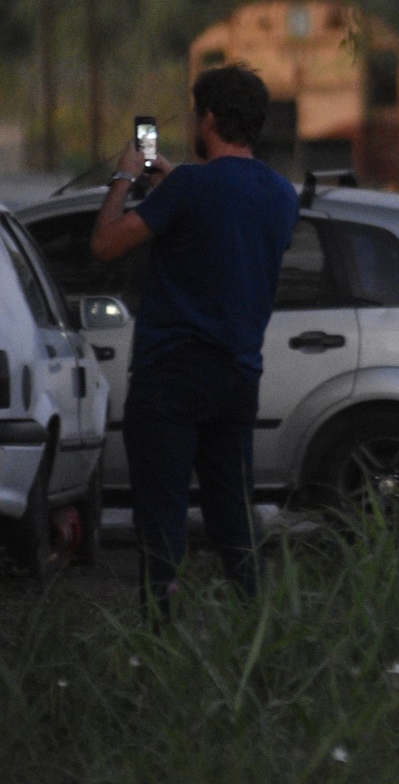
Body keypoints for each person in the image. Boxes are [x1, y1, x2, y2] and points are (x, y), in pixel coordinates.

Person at [91, 64, 299, 616]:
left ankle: (161, 634)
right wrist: (173, 188)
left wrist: (124, 177)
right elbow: (224, 234)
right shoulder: (282, 194)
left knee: (161, 518)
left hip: (171, 376)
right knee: (233, 513)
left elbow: (107, 243)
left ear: (208, 117)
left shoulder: (188, 186)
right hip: (237, 376)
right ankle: (258, 627)